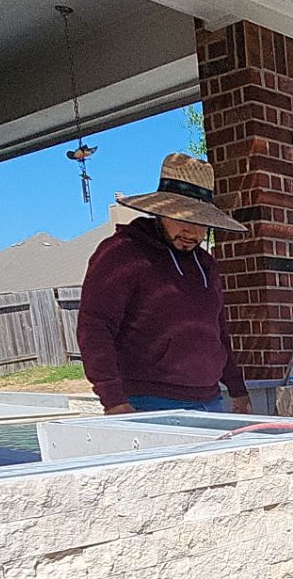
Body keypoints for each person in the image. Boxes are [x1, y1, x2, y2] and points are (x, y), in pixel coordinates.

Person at [77, 152, 253, 416]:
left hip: (211, 399)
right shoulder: (122, 254)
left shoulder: (206, 264)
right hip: (149, 402)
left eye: (201, 223)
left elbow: (219, 334)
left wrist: (237, 389)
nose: (192, 232)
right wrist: (113, 399)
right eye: (183, 219)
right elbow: (94, 327)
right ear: (160, 212)